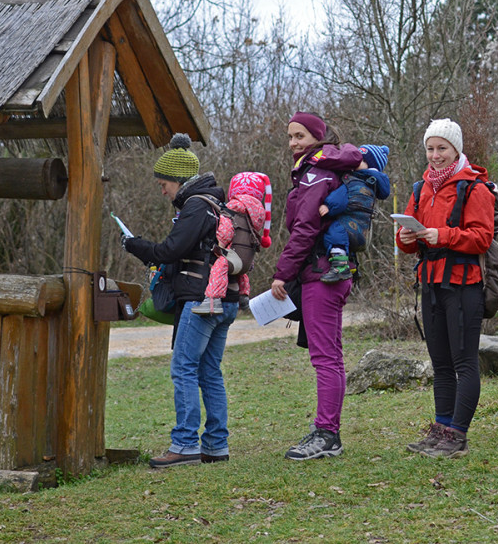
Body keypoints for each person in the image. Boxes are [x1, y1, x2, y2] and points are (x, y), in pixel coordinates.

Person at [122, 133, 240, 467]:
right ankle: (216, 445)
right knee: (209, 371)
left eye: (164, 184)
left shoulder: (196, 205)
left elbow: (171, 249)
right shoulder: (216, 203)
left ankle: (185, 444)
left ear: (178, 180)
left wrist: (136, 245)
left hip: (202, 299)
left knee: (184, 368)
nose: (162, 190)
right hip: (224, 298)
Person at [396, 119, 495, 459]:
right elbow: (408, 240)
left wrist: (445, 236)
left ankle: (458, 435)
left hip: (464, 285)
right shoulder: (419, 188)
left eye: (442, 148)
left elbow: (483, 237)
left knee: (463, 361)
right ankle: (441, 428)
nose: (435, 155)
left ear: (456, 149)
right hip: (431, 282)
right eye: (430, 148)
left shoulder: (475, 187)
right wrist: (405, 238)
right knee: (440, 363)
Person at [269, 112, 365, 461]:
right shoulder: (320, 170)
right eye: (290, 136)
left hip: (321, 274)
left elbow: (305, 229)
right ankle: (328, 432)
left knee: (325, 358)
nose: (293, 143)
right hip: (331, 273)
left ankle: (327, 434)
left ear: (317, 138)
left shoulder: (314, 173)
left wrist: (283, 273)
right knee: (331, 357)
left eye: (300, 136)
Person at [191, 171, 272, 314]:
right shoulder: (257, 215)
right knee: (242, 274)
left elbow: (227, 231)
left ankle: (212, 301)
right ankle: (244, 297)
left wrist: (220, 245)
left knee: (219, 268)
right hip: (247, 260)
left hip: (233, 256)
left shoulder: (233, 209)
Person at [318, 144, 391, 282]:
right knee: (345, 241)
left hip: (347, 224)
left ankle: (339, 267)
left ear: (370, 165)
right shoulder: (371, 183)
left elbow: (341, 199)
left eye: (360, 160)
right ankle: (351, 264)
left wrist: (328, 206)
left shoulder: (354, 180)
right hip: (362, 228)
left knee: (333, 232)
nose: (355, 162)